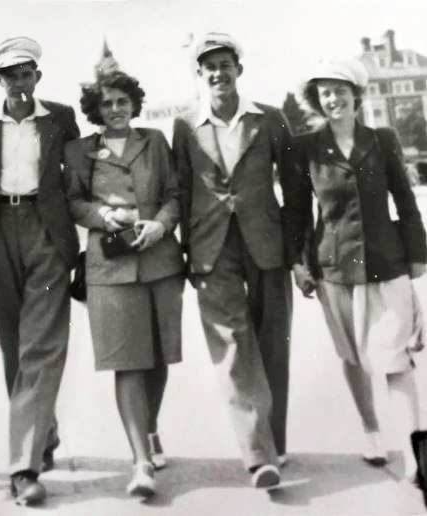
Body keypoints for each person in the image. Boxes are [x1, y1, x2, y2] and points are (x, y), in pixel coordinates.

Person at [290, 58, 426, 479]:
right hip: (334, 266)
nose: (333, 99)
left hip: (388, 263)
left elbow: (404, 201)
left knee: (396, 358)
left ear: (356, 94)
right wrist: (298, 262)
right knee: (352, 356)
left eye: (340, 90)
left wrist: (418, 255)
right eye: (325, 92)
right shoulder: (306, 147)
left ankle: (415, 454)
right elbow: (296, 212)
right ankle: (371, 432)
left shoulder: (382, 139)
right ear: (317, 100)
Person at [172, 32, 296, 488]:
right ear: (199, 76)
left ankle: (274, 441)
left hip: (267, 242)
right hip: (211, 247)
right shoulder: (185, 126)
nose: (218, 73)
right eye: (209, 67)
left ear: (238, 70)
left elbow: (296, 189)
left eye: (225, 64)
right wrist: (186, 251)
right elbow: (182, 190)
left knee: (271, 344)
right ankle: (258, 455)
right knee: (232, 349)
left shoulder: (270, 119)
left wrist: (296, 251)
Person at [0, 37, 79, 506]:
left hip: (45, 229)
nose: (19, 80)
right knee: (15, 345)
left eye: (26, 71)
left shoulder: (60, 117)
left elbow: (79, 175)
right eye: (10, 73)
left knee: (42, 344)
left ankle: (23, 468)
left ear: (38, 76)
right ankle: (41, 430)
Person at [65, 51, 184, 498]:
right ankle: (140, 460)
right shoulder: (79, 151)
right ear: (95, 110)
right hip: (109, 266)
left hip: (159, 261)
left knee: (158, 357)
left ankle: (150, 430)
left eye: (122, 101)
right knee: (127, 362)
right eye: (107, 103)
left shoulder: (155, 141)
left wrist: (162, 224)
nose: (115, 109)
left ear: (134, 104)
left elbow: (175, 194)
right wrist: (100, 216)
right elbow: (72, 201)